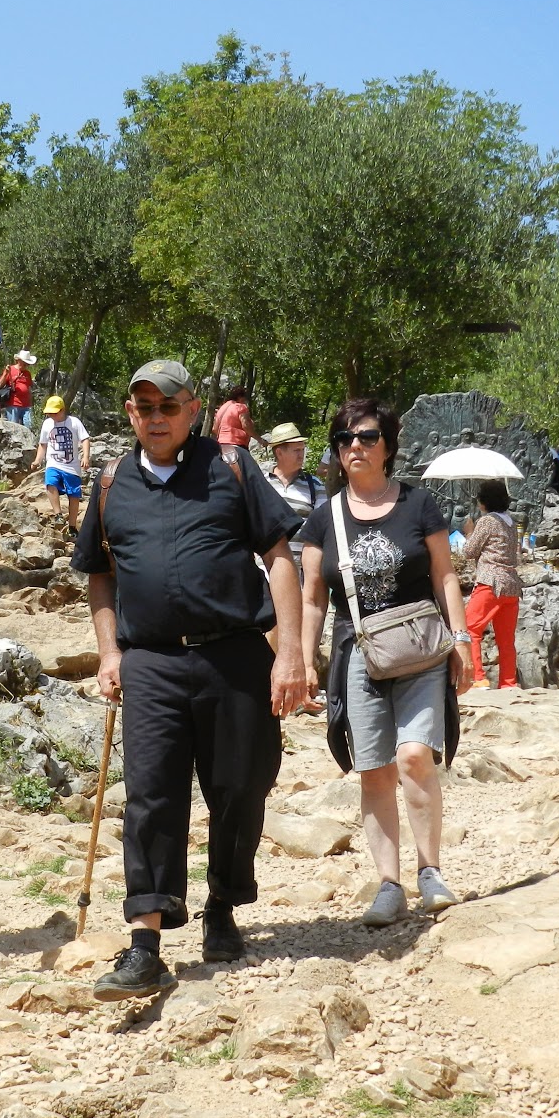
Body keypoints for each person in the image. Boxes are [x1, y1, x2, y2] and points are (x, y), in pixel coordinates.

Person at [72, 360, 304, 1001]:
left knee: (240, 787)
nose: (155, 418)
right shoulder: (112, 482)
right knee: (151, 794)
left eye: (167, 407)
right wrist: (107, 651)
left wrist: (289, 654)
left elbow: (279, 555)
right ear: (129, 413)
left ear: (193, 410)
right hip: (149, 662)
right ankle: (145, 939)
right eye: (144, 407)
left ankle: (223, 906)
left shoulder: (231, 468)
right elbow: (98, 572)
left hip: (233, 656)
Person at [299, 399, 471, 927]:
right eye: (344, 440)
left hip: (420, 645)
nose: (356, 447)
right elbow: (311, 597)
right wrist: (305, 660)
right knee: (372, 769)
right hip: (357, 651)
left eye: (368, 437)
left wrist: (462, 640)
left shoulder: (420, 505)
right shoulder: (322, 518)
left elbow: (444, 574)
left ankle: (430, 871)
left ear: (388, 446)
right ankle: (388, 884)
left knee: (416, 756)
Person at [461, 480, 521, 690]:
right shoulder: (510, 522)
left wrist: (469, 531)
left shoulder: (487, 521)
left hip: (490, 582)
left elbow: (469, 551)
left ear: (483, 501)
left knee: (470, 628)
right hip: (512, 585)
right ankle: (508, 682)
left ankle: (478, 678)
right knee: (506, 639)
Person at [262, 423, 327, 575]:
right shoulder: (261, 483)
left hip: (300, 572)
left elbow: (322, 529)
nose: (301, 455)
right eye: (296, 450)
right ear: (279, 453)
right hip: (263, 571)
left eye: (302, 450)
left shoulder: (315, 486)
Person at [31, 395, 91, 531]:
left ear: (62, 410)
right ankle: (58, 514)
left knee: (74, 496)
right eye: (50, 413)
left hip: (72, 466)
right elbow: (43, 445)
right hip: (53, 463)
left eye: (54, 412)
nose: (52, 415)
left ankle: (72, 525)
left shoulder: (74, 422)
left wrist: (86, 456)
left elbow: (85, 439)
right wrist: (37, 460)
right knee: (50, 483)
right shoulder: (47, 424)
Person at [212, 386, 260, 452]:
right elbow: (246, 425)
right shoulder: (240, 407)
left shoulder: (222, 408)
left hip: (221, 446)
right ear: (240, 397)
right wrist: (259, 439)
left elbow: (214, 429)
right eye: (244, 398)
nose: (245, 401)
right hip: (238, 445)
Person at [0, 351, 36, 427]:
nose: (26, 365)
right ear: (19, 361)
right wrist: (6, 373)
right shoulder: (10, 370)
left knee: (29, 425)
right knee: (14, 427)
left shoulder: (27, 373)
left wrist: (31, 403)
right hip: (13, 404)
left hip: (26, 405)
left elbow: (29, 388)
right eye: (25, 363)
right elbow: (0, 384)